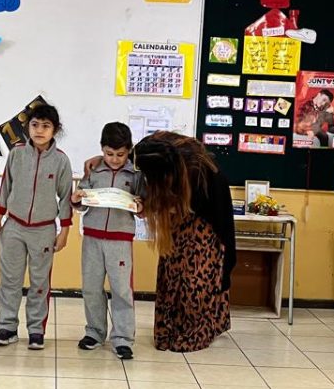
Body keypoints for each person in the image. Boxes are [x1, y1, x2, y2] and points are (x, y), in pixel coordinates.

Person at [133, 131, 236, 352]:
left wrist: (154, 207)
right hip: (179, 223)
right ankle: (170, 328)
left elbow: (188, 205)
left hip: (205, 226)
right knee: (171, 275)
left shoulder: (199, 172)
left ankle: (196, 329)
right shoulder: (154, 153)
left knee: (194, 280)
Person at [0, 102, 73, 350]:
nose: (39, 130)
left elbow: (66, 197)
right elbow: (6, 187)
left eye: (46, 126)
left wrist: (64, 231)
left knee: (39, 282)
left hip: (44, 230)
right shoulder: (16, 153)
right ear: (28, 127)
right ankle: (7, 327)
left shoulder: (60, 161)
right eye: (35, 125)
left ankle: (36, 330)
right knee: (10, 280)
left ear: (54, 130)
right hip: (13, 226)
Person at [72, 122, 141, 360]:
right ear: (102, 149)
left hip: (120, 239)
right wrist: (77, 198)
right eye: (109, 154)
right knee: (91, 288)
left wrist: (142, 206)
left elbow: (143, 207)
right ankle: (94, 332)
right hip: (92, 236)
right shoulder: (93, 170)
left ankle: (122, 338)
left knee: (121, 289)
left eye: (120, 154)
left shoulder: (136, 173)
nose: (114, 159)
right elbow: (82, 200)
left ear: (129, 150)